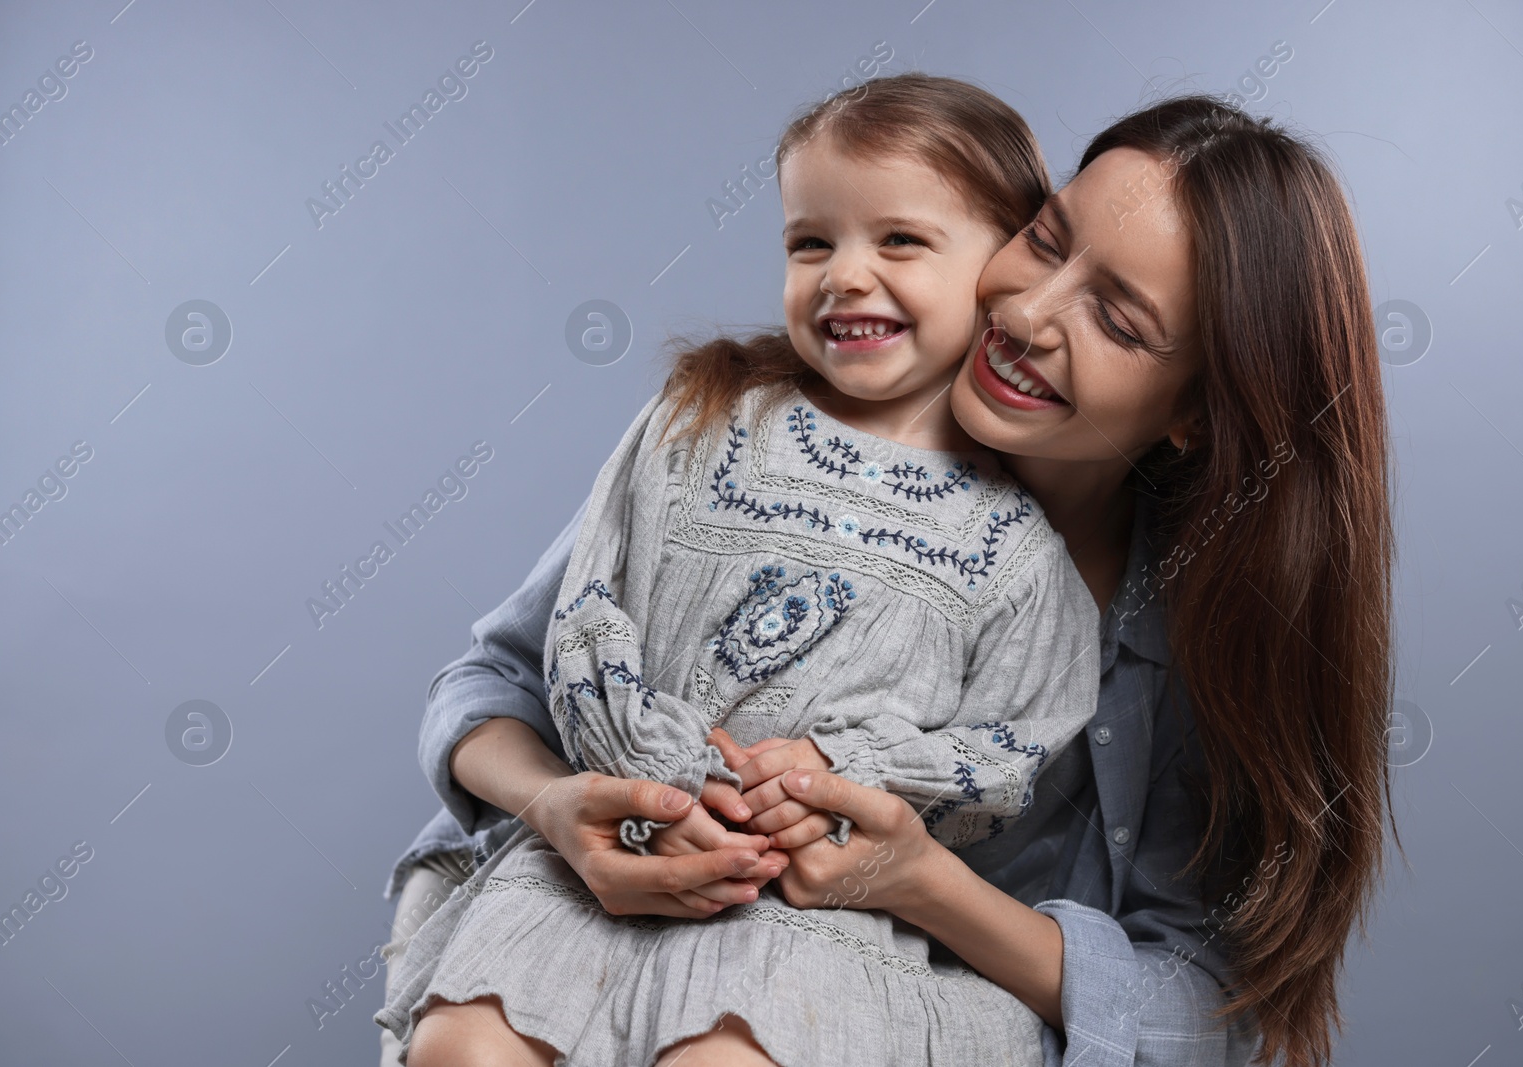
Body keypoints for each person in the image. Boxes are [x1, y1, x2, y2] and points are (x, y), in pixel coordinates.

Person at [379, 89, 1393, 1067]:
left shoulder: (1189, 630)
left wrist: (923, 882)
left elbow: (1212, 1015)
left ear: (1198, 413)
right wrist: (561, 803)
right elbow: (499, 679)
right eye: (1044, 237)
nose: (1030, 311)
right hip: (599, 943)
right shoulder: (754, 438)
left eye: (1118, 322)